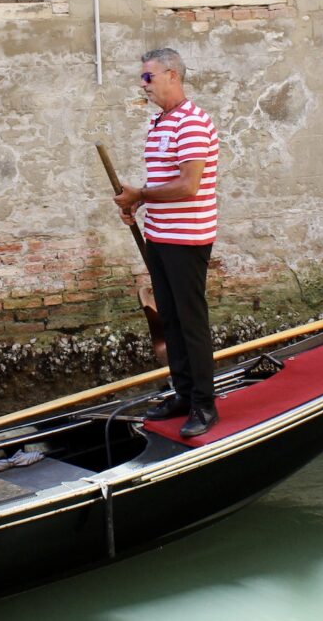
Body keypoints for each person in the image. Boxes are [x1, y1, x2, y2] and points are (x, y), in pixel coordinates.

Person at [113, 48, 220, 438]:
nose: (143, 85)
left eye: (148, 77)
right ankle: (183, 393)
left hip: (187, 239)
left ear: (172, 75)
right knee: (170, 319)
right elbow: (161, 184)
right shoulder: (161, 123)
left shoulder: (191, 123)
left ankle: (205, 405)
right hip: (160, 236)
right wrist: (136, 207)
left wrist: (139, 194)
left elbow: (188, 186)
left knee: (191, 322)